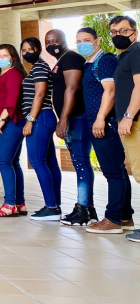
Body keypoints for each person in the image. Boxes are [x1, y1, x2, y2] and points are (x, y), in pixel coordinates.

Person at [77, 27, 134, 234]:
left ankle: (113, 219)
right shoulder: (90, 63)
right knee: (117, 170)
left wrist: (100, 118)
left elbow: (110, 91)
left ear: (97, 41)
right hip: (99, 121)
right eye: (79, 41)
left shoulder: (105, 61)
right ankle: (125, 216)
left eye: (86, 40)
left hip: (105, 123)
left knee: (112, 172)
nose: (82, 44)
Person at [45, 29, 97, 226]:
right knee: (79, 162)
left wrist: (63, 119)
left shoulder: (72, 58)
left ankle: (82, 209)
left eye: (56, 40)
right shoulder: (61, 61)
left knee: (81, 162)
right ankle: (88, 208)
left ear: (64, 40)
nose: (53, 44)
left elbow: (72, 87)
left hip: (78, 118)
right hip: (72, 119)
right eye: (48, 42)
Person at [21, 37, 61, 221]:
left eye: (29, 49)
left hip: (40, 118)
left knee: (37, 161)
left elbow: (40, 94)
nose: (26, 53)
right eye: (23, 50)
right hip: (44, 117)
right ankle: (55, 205)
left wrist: (30, 120)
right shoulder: (40, 67)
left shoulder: (39, 67)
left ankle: (51, 207)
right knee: (50, 161)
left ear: (37, 49)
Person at [108, 15, 140, 243]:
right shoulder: (125, 55)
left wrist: (129, 116)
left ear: (134, 33)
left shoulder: (137, 52)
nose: (118, 35)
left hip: (136, 121)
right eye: (114, 32)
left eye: (123, 31)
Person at [0, 44, 27, 217]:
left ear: (12, 57)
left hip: (12, 120)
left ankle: (10, 204)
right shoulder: (3, 74)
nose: (1, 58)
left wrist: (2, 119)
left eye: (5, 55)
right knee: (13, 162)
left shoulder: (13, 74)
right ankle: (19, 203)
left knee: (3, 160)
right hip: (12, 121)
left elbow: (12, 99)